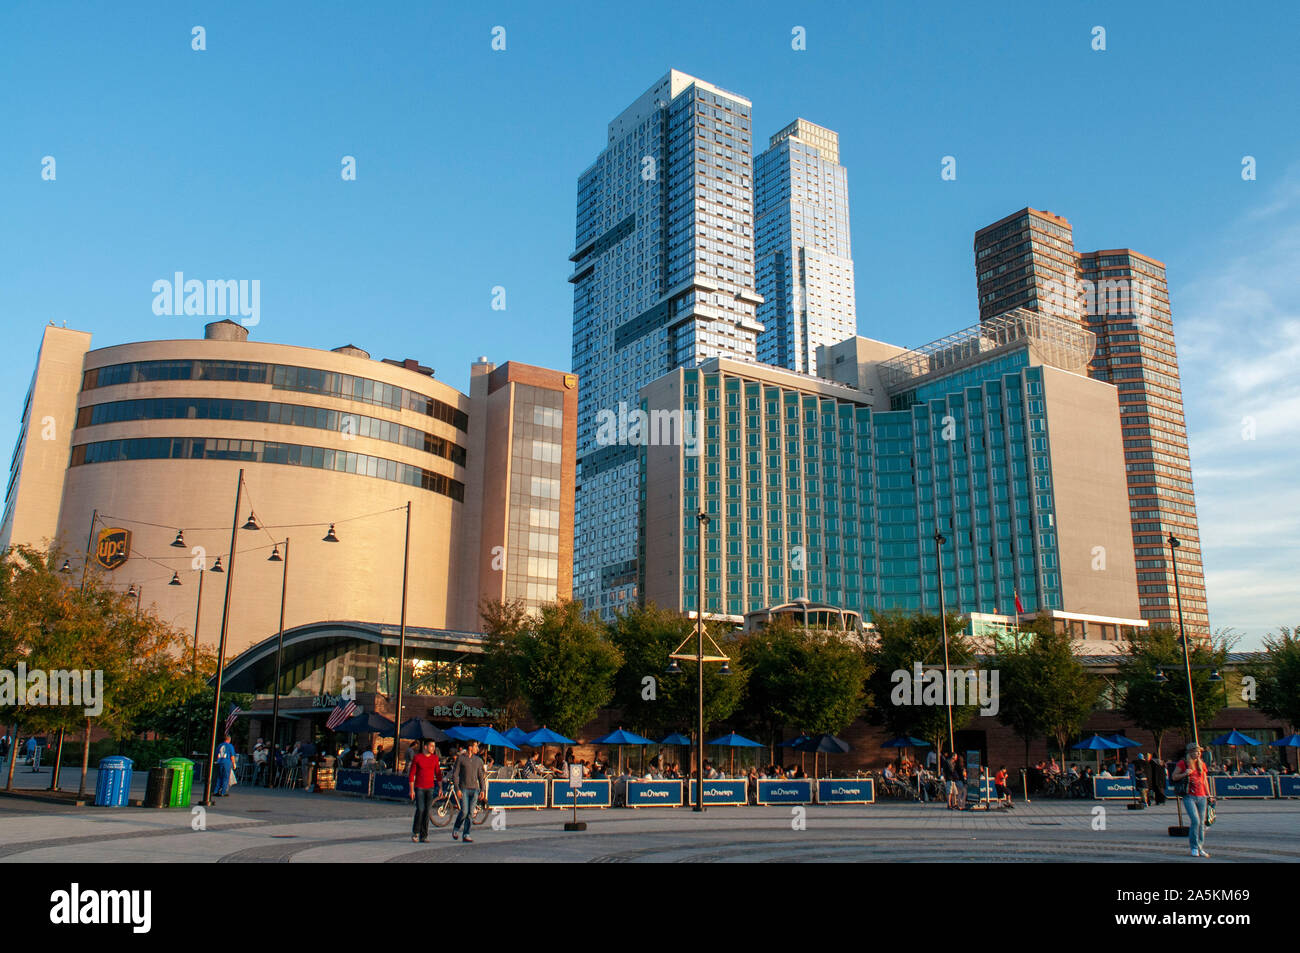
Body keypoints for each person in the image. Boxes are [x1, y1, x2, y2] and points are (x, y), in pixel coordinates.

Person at [1173, 744, 1212, 858]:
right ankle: (1194, 847)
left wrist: (1209, 794)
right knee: (1195, 821)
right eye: (1196, 751)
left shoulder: (1202, 764)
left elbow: (1204, 780)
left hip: (1202, 796)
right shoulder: (1183, 763)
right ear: (1190, 752)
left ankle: (1200, 847)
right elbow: (1174, 776)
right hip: (1189, 795)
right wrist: (1185, 773)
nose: (1198, 754)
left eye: (1199, 752)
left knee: (1202, 823)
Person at [451, 740, 487, 843]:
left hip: (475, 789)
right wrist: (457, 788)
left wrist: (482, 790)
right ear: (470, 747)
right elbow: (455, 774)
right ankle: (456, 828)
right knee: (464, 811)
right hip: (464, 789)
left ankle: (466, 833)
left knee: (471, 813)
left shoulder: (478, 760)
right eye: (476, 746)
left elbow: (481, 776)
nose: (477, 749)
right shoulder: (461, 759)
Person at [408, 741, 441, 843]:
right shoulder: (418, 757)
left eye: (434, 746)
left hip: (430, 787)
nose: (433, 748)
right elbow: (412, 774)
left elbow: (438, 773)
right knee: (420, 809)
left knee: (427, 811)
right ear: (425, 747)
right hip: (419, 787)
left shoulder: (435, 758)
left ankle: (424, 835)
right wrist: (411, 789)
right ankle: (415, 832)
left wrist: (440, 787)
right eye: (431, 746)